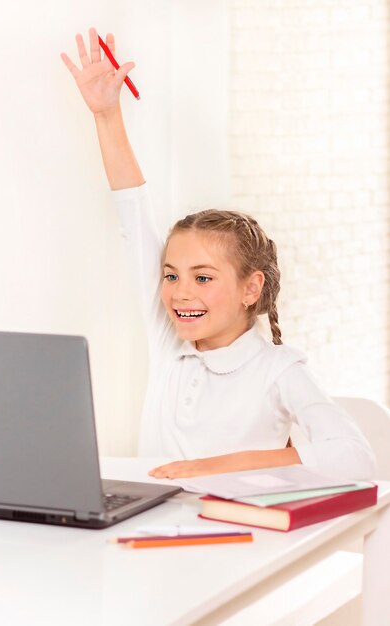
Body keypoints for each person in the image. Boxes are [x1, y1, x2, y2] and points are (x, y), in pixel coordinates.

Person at [61, 28, 376, 480]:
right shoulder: (172, 341)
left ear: (251, 288)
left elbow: (355, 457)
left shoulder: (278, 368)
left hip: (235, 539)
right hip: (153, 528)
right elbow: (133, 216)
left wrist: (210, 468)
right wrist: (107, 115)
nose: (180, 293)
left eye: (203, 278)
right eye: (171, 276)